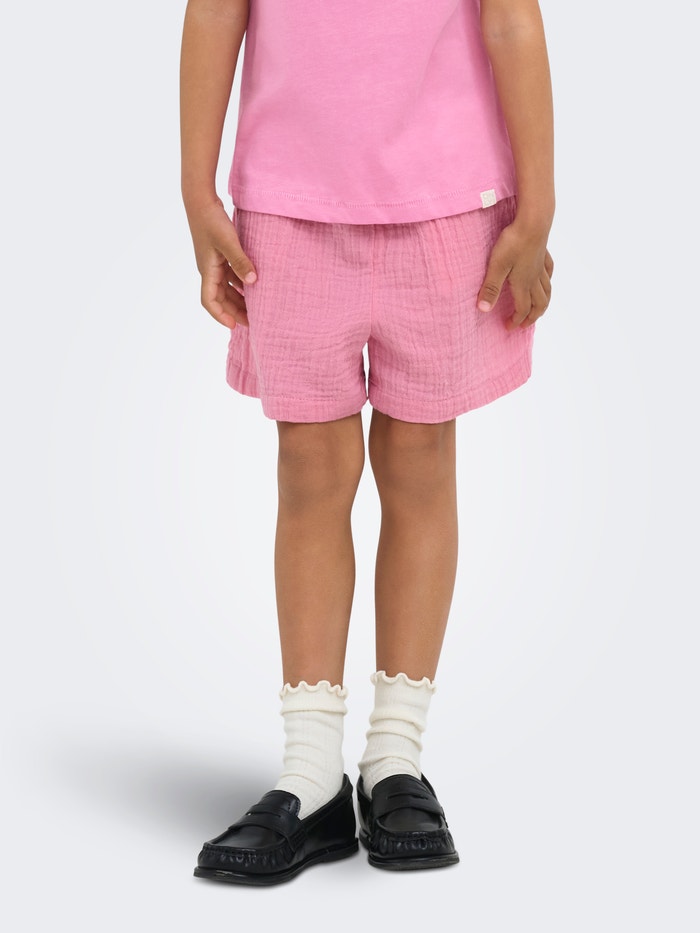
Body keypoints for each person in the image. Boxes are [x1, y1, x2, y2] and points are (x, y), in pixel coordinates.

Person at [180, 0, 554, 884]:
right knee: (310, 469)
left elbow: (512, 20)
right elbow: (216, 10)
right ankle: (311, 773)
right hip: (287, 207)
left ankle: (396, 757)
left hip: (449, 206)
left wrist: (538, 206)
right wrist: (197, 192)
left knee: (420, 461)